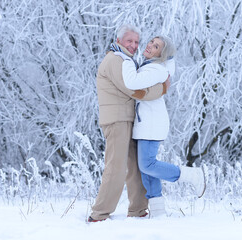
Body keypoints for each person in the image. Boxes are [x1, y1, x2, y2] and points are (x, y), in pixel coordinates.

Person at [115, 36, 206, 218]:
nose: (149, 46)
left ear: (161, 54)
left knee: (148, 165)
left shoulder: (156, 69)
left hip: (152, 123)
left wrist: (125, 59)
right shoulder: (151, 67)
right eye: (151, 42)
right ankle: (158, 211)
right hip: (146, 123)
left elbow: (131, 83)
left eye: (156, 46)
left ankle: (191, 175)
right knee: (146, 169)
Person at [88, 25, 170, 222]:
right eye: (129, 41)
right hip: (117, 120)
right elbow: (131, 89)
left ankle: (138, 209)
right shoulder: (116, 59)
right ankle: (99, 213)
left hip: (126, 119)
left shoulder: (125, 59)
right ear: (119, 41)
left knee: (135, 166)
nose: (134, 45)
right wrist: (162, 89)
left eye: (136, 42)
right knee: (116, 167)